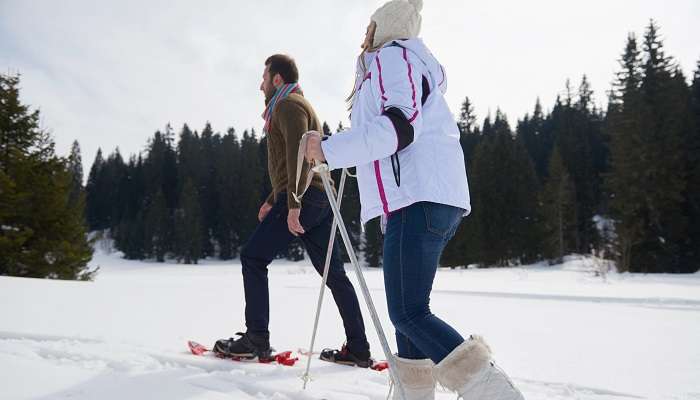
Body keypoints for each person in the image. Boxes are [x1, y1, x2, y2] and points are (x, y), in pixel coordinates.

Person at [305, 1, 525, 399]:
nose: (364, 35)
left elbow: (397, 128)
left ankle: (493, 392)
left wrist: (330, 149)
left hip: (418, 198)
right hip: (417, 200)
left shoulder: (394, 56)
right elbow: (386, 133)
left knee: (408, 312)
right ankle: (414, 395)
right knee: (407, 316)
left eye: (369, 26)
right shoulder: (388, 66)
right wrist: (340, 150)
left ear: (385, 27)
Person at [214, 54, 373, 368]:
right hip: (317, 196)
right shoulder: (294, 105)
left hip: (306, 197)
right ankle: (358, 348)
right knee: (336, 276)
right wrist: (274, 199)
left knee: (253, 257)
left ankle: (256, 338)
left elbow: (298, 153)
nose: (260, 85)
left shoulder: (288, 106)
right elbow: (293, 161)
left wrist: (293, 204)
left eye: (264, 78)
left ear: (277, 79)